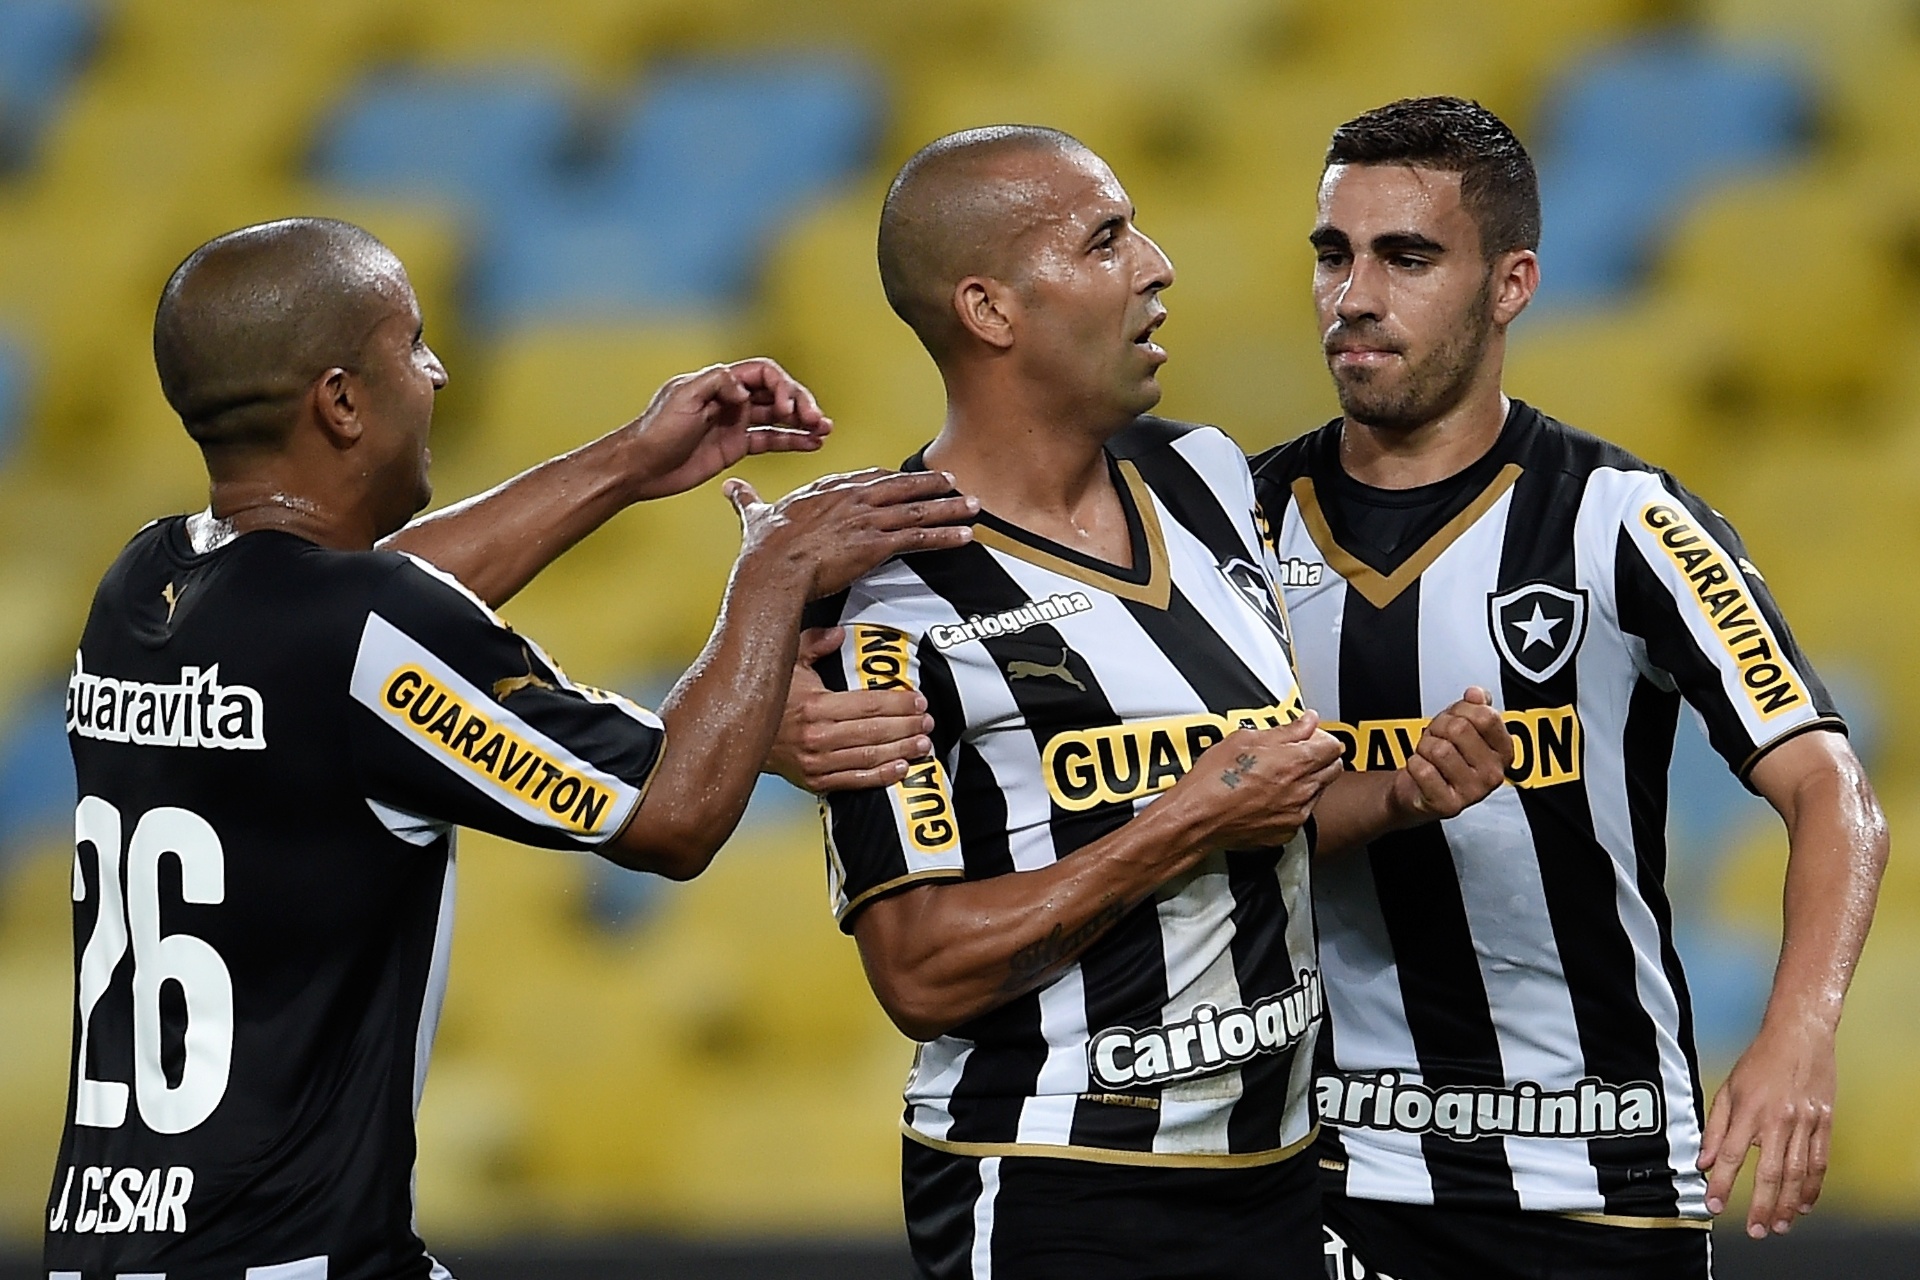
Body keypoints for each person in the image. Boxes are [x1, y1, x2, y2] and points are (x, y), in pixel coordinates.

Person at [777, 101, 1891, 1280]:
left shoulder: (1622, 521)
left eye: (1406, 257)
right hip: (1332, 1178)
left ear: (1511, 284)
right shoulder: (1227, 520)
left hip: (1598, 1177)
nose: (1355, 293)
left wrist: (1798, 1030)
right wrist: (779, 717)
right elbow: (1157, 758)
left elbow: (1830, 783)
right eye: (1332, 253)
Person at [42, 216, 976, 1280]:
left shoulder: (142, 588)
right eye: (414, 344)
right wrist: (775, 570)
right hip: (295, 1258)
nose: (437, 373)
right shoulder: (357, 631)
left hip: (104, 1246)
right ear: (342, 401)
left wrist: (630, 460)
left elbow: (361, 621)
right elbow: (671, 817)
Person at [798, 127, 1513, 1280]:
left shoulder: (1210, 479)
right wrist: (1182, 820)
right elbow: (922, 970)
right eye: (1104, 239)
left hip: (1279, 1177)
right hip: (1055, 1186)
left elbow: (1257, 803)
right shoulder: (884, 595)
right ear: (989, 309)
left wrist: (1396, 794)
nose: (1157, 263)